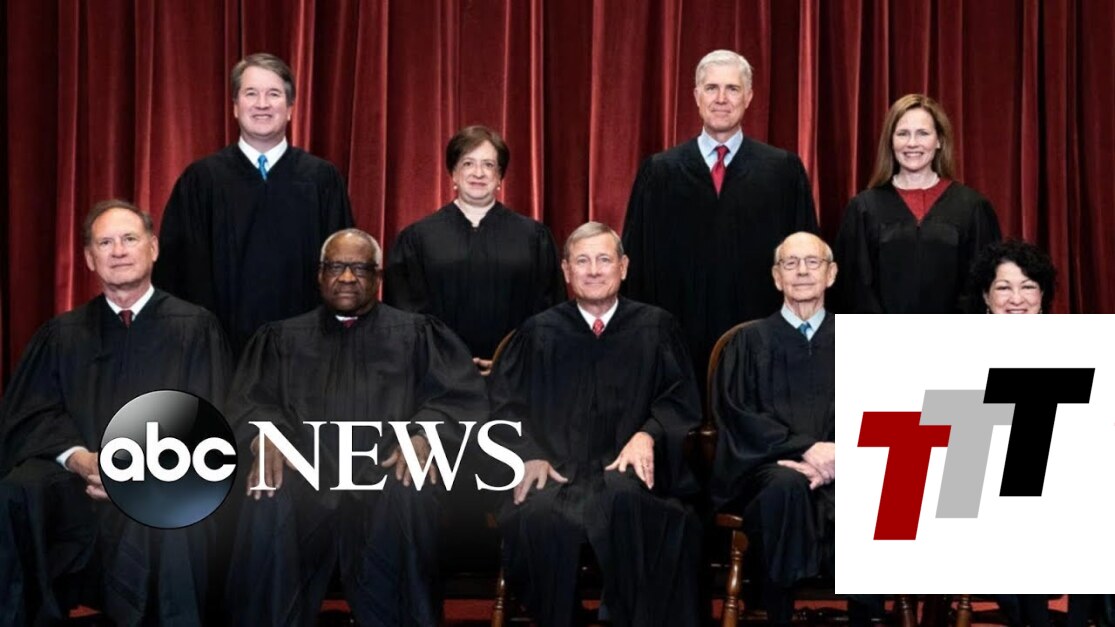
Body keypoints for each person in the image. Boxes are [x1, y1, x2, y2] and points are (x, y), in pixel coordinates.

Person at [223, 228, 489, 627]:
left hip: (386, 475)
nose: (347, 277)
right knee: (267, 489)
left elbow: (458, 398)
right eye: (336, 266)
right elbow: (250, 402)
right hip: (305, 476)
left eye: (360, 268)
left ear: (378, 277)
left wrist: (425, 435)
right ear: (320, 274)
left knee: (412, 489)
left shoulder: (418, 334)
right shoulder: (281, 339)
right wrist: (267, 435)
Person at [0, 200, 233, 625]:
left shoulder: (194, 328)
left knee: (175, 509)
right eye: (105, 243)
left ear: (153, 248)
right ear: (89, 258)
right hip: (78, 485)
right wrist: (79, 459)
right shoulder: (62, 334)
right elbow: (31, 413)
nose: (119, 251)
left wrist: (138, 471)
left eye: (129, 239)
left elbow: (209, 418)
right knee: (17, 491)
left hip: (163, 475)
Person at [490, 222, 703, 627]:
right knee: (537, 517)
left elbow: (680, 399)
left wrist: (649, 434)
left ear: (623, 267)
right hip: (556, 473)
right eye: (582, 261)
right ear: (566, 271)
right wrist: (528, 455)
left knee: (636, 509)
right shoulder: (538, 332)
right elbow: (504, 408)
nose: (593, 271)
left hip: (630, 474)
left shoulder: (656, 327)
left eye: (604, 260)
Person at [709, 232, 881, 625]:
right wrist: (805, 449)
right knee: (784, 488)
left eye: (812, 262)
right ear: (776, 277)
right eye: (791, 263)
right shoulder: (748, 341)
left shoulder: (861, 340)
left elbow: (883, 412)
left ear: (831, 274)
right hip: (770, 468)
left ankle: (864, 619)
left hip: (847, 465)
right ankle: (778, 613)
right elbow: (737, 414)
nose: (802, 271)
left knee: (868, 490)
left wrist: (840, 458)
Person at [621, 49, 817, 390]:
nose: (721, 99)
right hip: (676, 345)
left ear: (749, 97)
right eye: (712, 88)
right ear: (696, 96)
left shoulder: (783, 172)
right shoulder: (659, 173)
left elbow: (806, 264)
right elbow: (635, 270)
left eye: (733, 89)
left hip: (762, 345)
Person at [154, 52, 354, 354]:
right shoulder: (201, 180)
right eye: (251, 93)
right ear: (235, 107)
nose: (262, 104)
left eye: (273, 94)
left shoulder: (322, 180)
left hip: (307, 353)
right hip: (219, 354)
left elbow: (344, 269)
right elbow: (175, 273)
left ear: (290, 108)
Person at [384, 125, 565, 376]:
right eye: (468, 163)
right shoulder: (417, 239)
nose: (478, 173)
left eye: (488, 165)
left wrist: (509, 360)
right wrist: (447, 362)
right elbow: (404, 315)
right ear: (453, 174)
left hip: (516, 376)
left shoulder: (534, 238)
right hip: (438, 377)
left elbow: (548, 313)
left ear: (500, 177)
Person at [834, 93, 1001, 314]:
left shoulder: (972, 208)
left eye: (923, 133)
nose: (912, 143)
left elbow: (983, 287)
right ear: (891, 141)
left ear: (939, 140)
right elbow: (853, 289)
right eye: (903, 134)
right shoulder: (864, 208)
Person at [969, 239, 1058, 626]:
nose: (1016, 299)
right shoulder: (961, 351)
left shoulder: (1068, 349)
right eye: (1004, 287)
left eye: (1028, 287)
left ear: (1042, 296)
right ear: (986, 297)